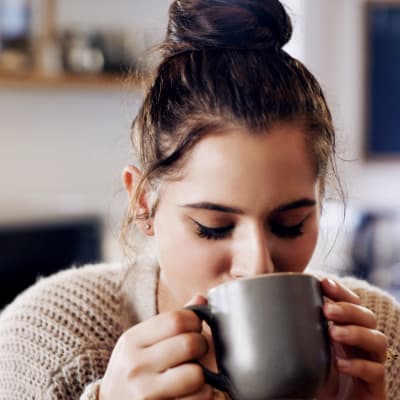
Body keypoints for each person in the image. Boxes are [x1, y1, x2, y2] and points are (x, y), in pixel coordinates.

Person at [0, 0, 399, 399]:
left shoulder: (379, 341)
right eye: (213, 228)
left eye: (289, 225)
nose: (257, 264)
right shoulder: (47, 341)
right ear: (142, 203)